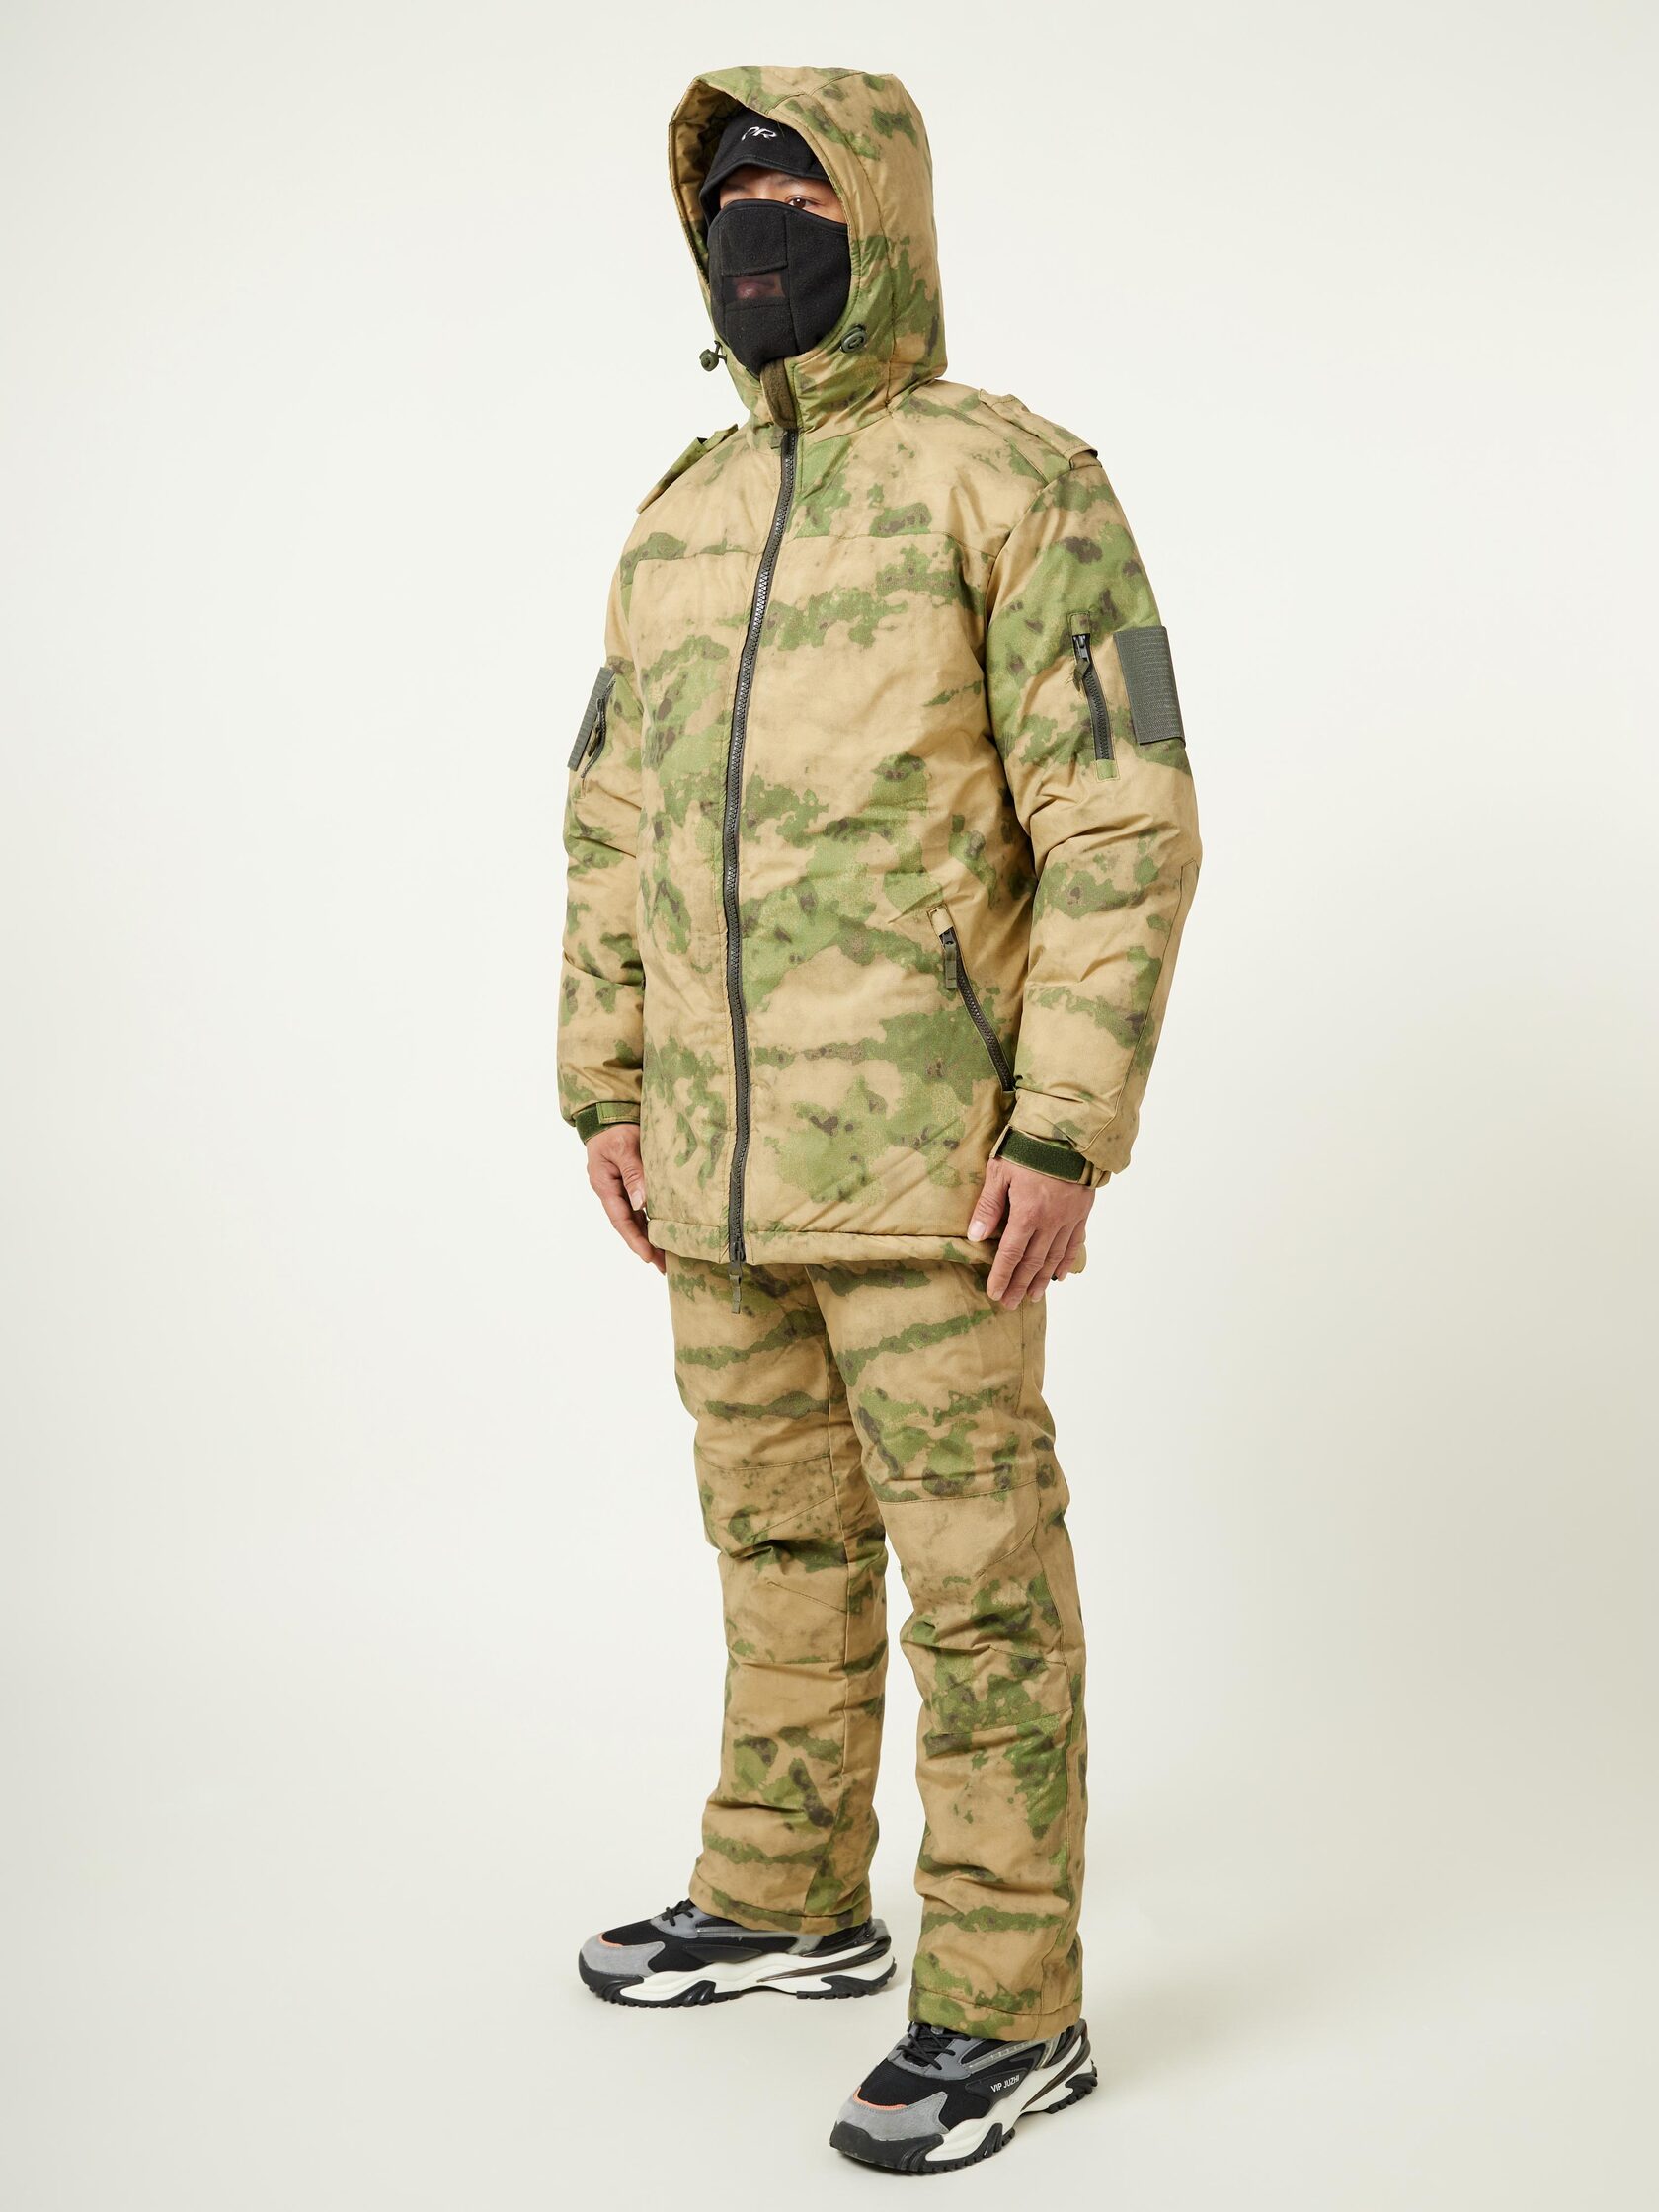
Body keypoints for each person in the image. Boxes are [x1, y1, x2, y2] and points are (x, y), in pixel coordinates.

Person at [560, 65, 1201, 2175]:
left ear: (886, 222)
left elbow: (1120, 817)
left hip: (937, 1172)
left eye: (799, 199)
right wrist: (609, 1086)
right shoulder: (680, 516)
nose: (756, 234)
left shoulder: (1009, 484)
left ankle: (1010, 2009)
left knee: (980, 1586)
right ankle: (782, 1895)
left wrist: (1063, 1129)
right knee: (773, 1541)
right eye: (729, 201)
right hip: (715, 1170)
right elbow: (612, 817)